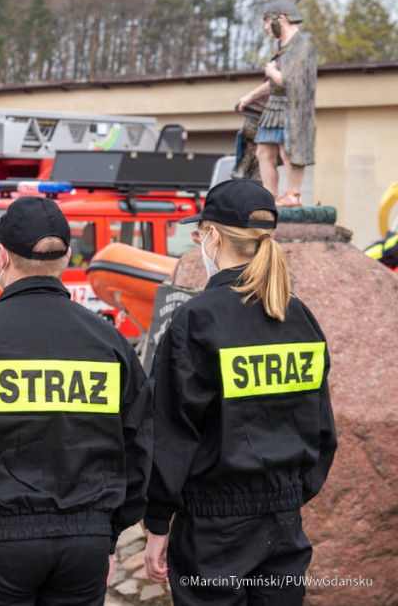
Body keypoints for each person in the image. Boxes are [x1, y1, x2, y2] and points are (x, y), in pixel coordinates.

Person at [0, 196, 153, 606]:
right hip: (82, 545)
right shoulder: (110, 343)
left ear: (1, 257)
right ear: (67, 257)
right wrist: (105, 533)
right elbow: (139, 445)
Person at [143, 178, 336, 605]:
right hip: (284, 523)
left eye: (198, 236)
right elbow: (323, 430)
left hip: (212, 528)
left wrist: (157, 522)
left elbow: (171, 433)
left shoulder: (196, 320)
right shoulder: (298, 315)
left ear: (211, 236)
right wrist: (283, 497)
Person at [237, 0, 317, 208]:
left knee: (288, 150)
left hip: (292, 107)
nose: (265, 27)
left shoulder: (303, 47)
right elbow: (273, 83)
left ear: (280, 19)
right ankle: (269, 196)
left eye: (267, 21)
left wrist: (272, 72)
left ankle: (292, 195)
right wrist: (250, 96)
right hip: (274, 106)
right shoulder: (283, 48)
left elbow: (292, 81)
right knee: (263, 151)